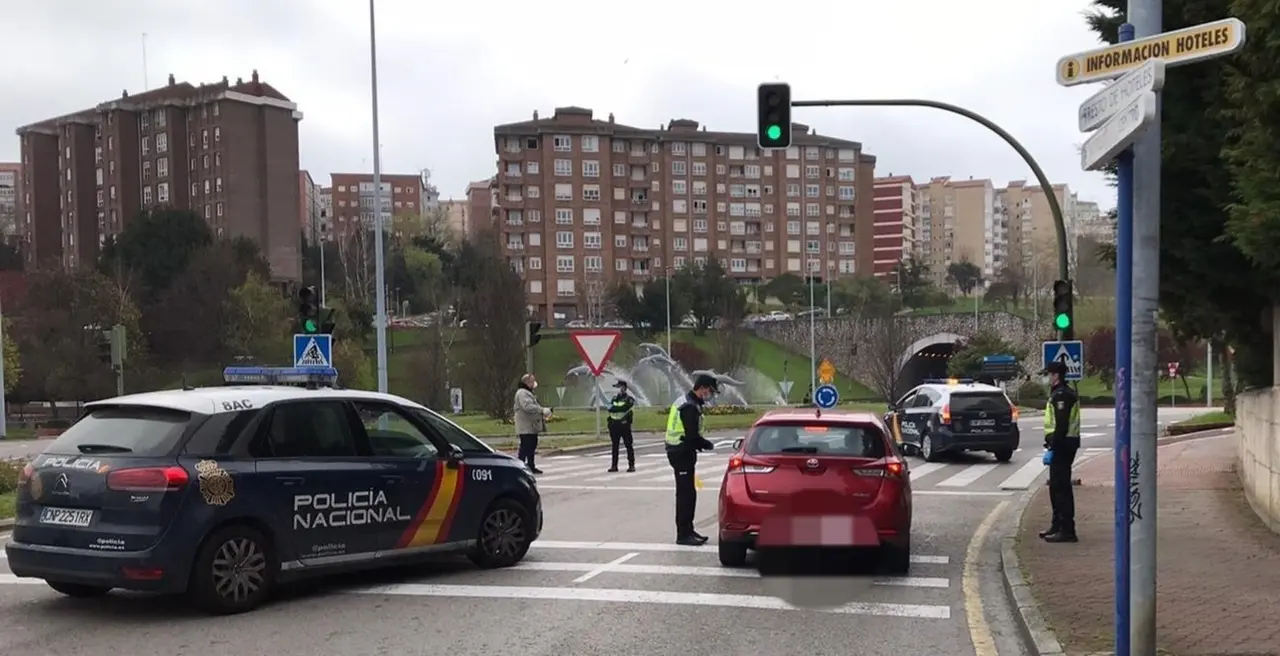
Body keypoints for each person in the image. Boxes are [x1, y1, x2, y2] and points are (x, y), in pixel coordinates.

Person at [665, 374, 718, 546]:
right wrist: (706, 444)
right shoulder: (689, 406)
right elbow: (691, 435)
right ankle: (683, 534)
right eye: (709, 391)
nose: (709, 395)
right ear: (702, 388)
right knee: (685, 494)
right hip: (680, 452)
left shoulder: (688, 401)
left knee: (689, 493)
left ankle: (689, 529)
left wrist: (699, 444)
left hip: (682, 451)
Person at [1039, 361, 1081, 543]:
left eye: (1049, 374)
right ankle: (1057, 525)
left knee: (1062, 488)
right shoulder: (1060, 393)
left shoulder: (1062, 395)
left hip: (1063, 445)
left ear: (1056, 375)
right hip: (1062, 444)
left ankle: (1067, 529)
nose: (1048, 378)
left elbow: (1062, 425)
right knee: (1055, 487)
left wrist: (1053, 446)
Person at [513, 373, 552, 474]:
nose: (534, 383)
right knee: (526, 446)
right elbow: (528, 407)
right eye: (532, 381)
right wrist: (541, 410)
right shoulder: (522, 393)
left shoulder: (526, 392)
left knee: (531, 446)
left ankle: (530, 466)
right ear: (527, 382)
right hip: (526, 427)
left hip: (530, 426)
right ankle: (519, 467)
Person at [606, 381, 636, 473]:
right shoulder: (614, 398)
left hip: (624, 425)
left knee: (628, 445)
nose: (618, 389)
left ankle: (631, 465)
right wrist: (615, 408)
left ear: (624, 388)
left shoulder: (629, 399)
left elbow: (624, 408)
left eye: (619, 387)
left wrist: (615, 408)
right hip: (614, 425)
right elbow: (609, 408)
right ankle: (614, 466)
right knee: (615, 446)